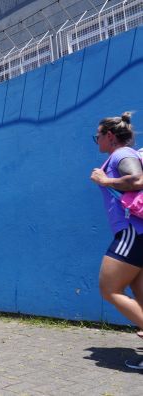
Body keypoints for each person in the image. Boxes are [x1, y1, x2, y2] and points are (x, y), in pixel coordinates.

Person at [89, 112, 143, 368]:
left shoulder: (122, 155)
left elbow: (137, 180)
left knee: (109, 288)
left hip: (131, 231)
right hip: (137, 232)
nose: (96, 140)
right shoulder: (121, 155)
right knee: (139, 290)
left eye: (97, 136)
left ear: (109, 136)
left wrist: (105, 179)